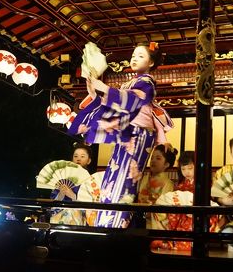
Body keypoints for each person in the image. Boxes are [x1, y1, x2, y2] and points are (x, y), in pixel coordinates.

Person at [68, 41, 173, 228]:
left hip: (139, 134)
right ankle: (105, 224)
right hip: (128, 133)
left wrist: (104, 88)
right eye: (133, 55)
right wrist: (94, 87)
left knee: (125, 181)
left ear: (151, 63)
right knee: (112, 178)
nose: (135, 58)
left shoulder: (147, 83)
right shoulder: (129, 83)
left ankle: (116, 227)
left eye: (141, 55)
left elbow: (131, 100)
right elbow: (110, 101)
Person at [49, 142, 93, 225]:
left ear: (89, 160)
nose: (78, 159)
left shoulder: (90, 180)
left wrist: (73, 196)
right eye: (75, 156)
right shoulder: (63, 177)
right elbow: (53, 201)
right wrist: (61, 194)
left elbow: (92, 201)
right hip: (59, 216)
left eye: (82, 156)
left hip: (79, 217)